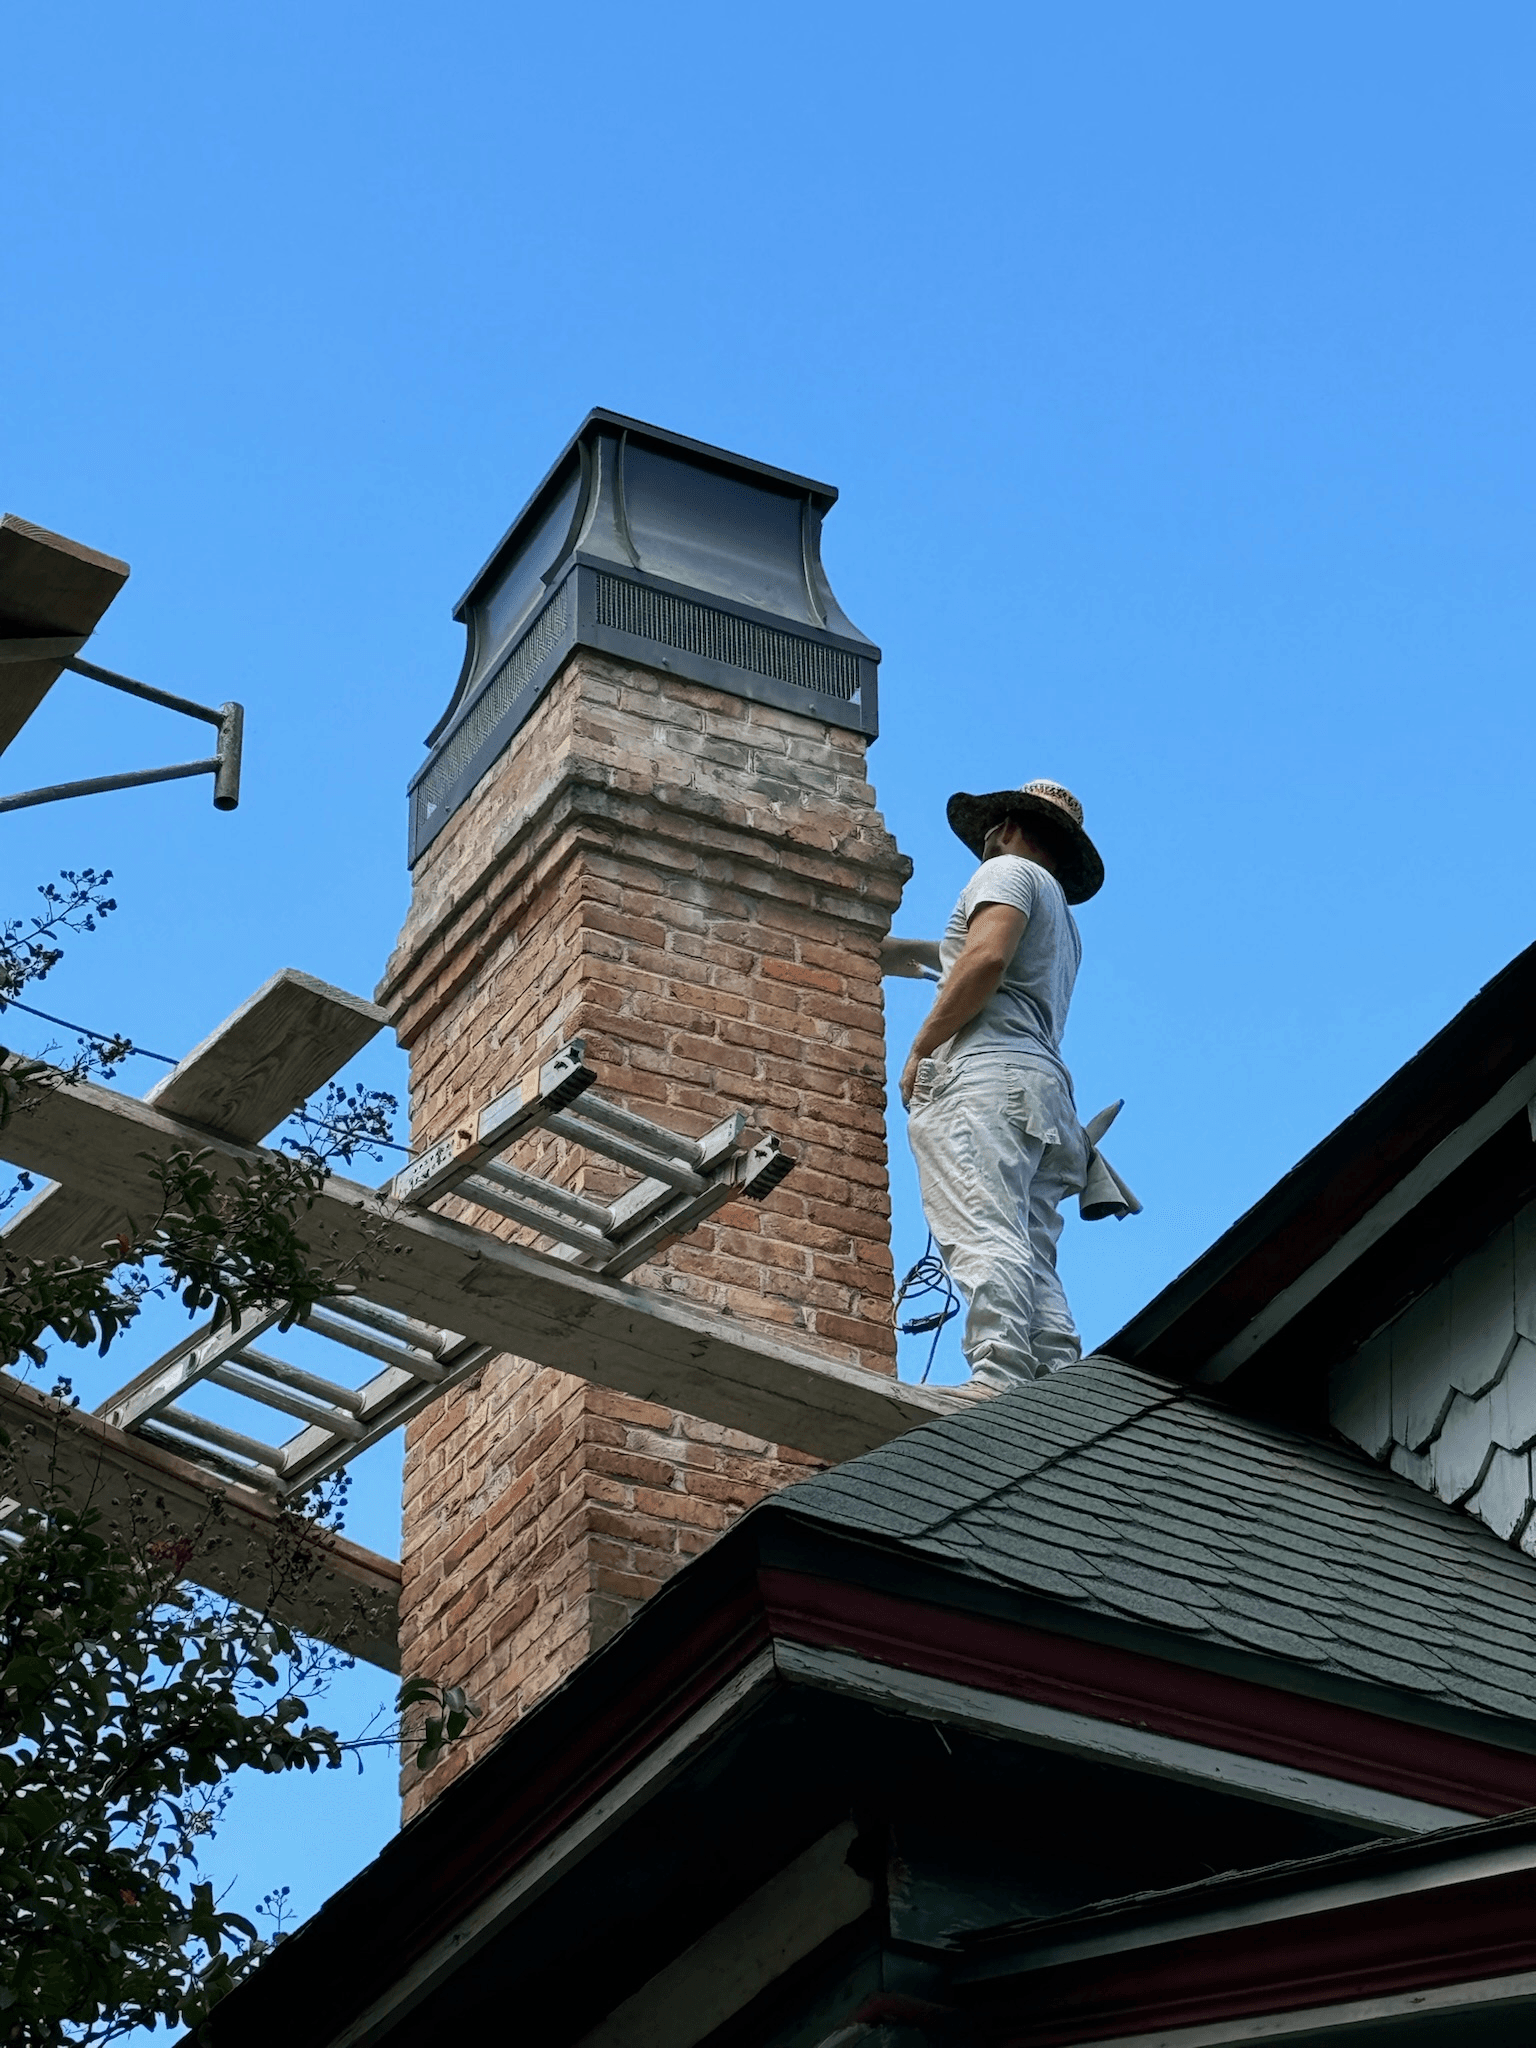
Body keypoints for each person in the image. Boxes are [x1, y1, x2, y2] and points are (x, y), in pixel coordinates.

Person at [900, 778, 1104, 1394]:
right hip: (1044, 1098)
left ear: (1007, 826)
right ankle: (1055, 1387)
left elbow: (984, 960)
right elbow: (959, 955)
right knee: (1031, 1247)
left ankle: (1000, 1371)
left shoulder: (1006, 872)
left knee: (984, 1227)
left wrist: (922, 1047)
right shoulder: (1061, 919)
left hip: (988, 1080)